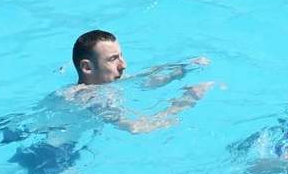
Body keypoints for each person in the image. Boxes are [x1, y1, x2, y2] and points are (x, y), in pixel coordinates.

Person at [64, 28, 212, 131]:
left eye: (121, 56)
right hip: (54, 159)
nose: (123, 65)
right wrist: (187, 100)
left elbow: (141, 81)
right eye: (113, 59)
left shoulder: (100, 86)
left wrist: (182, 69)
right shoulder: (89, 98)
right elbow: (139, 128)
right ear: (87, 68)